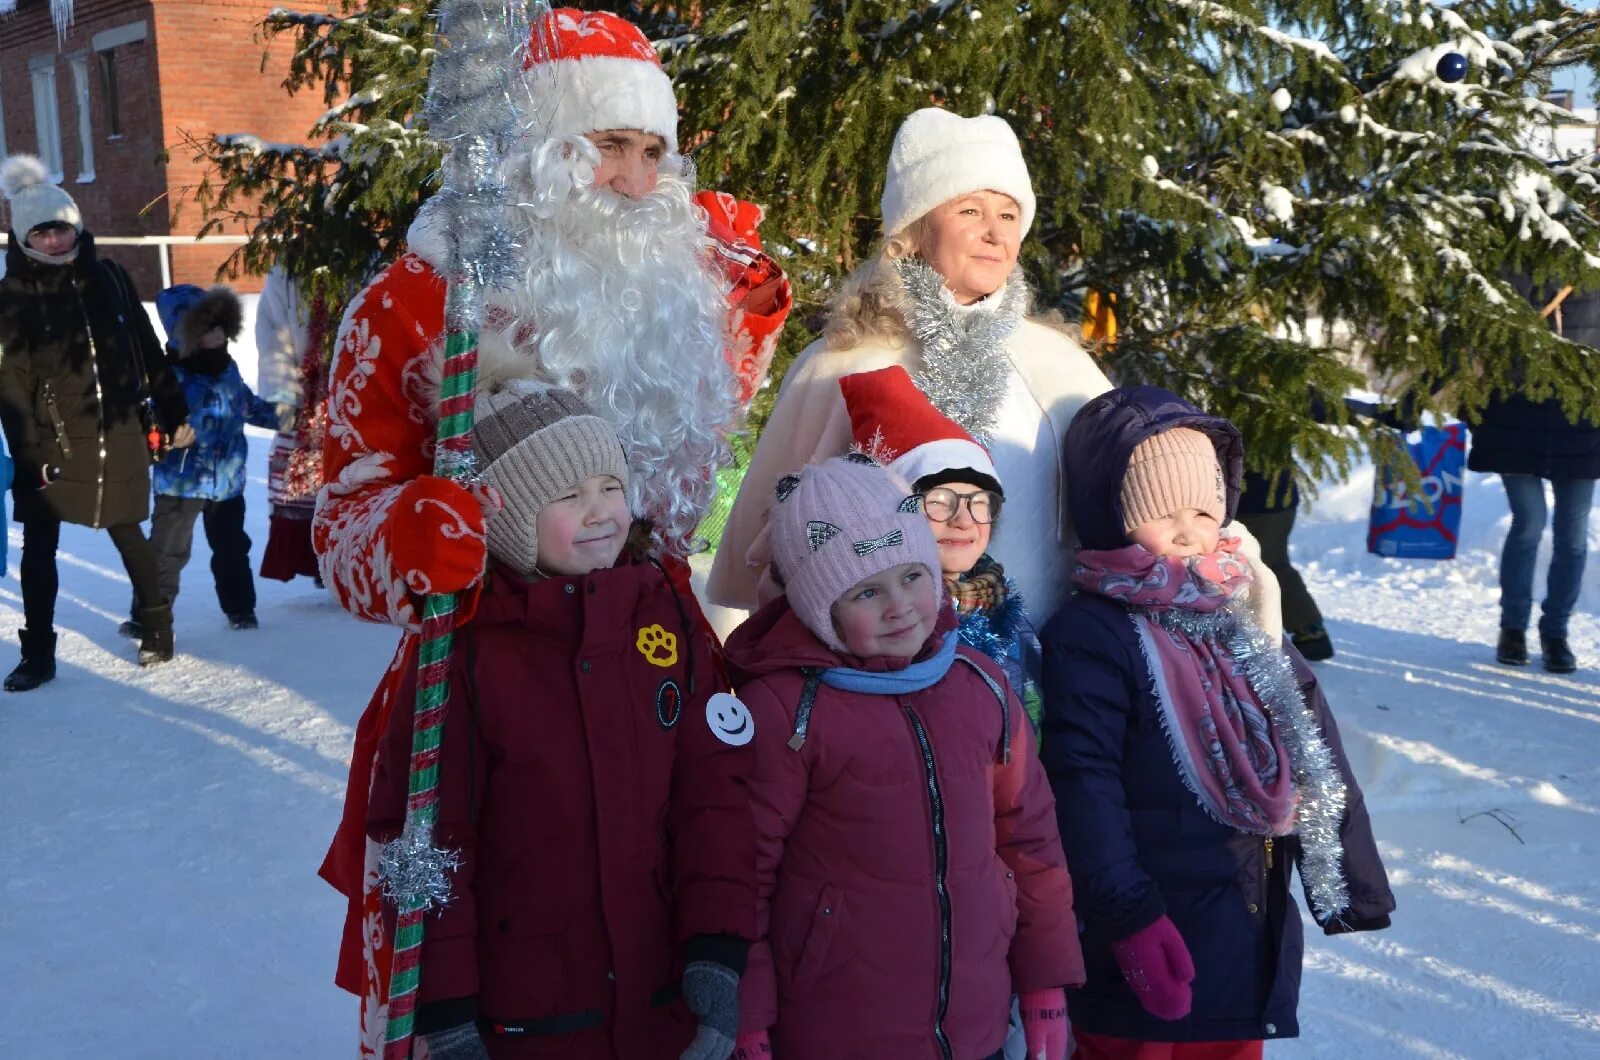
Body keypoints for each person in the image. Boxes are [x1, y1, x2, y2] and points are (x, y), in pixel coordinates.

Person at [315, 9, 791, 1047]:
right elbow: (342, 518)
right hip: (488, 691)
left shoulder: (682, 290)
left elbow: (697, 445)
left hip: (655, 675)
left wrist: (747, 305)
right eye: (604, 146)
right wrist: (410, 532)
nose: (631, 179)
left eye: (650, 152)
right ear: (535, 151)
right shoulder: (419, 301)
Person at [366, 385, 755, 1059]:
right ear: (509, 516)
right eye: (568, 496)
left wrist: (717, 951)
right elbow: (429, 841)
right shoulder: (464, 654)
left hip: (662, 998)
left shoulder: (665, 615)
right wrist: (448, 1011)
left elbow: (713, 799)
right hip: (531, 1017)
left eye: (610, 485)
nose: (601, 511)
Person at [1040, 386, 1395, 1060]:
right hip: (1143, 932)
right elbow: (1084, 787)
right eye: (1160, 512)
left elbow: (1313, 739)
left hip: (1244, 919)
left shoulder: (1244, 613)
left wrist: (1352, 878)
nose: (1186, 531)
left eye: (1203, 510)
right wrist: (1128, 918)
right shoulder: (1092, 635)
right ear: (1112, 514)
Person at [723, 454, 1083, 1060]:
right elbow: (743, 877)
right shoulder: (787, 713)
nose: (900, 606)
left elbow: (1029, 840)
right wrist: (750, 1018)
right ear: (819, 607)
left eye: (913, 575)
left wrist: (1045, 979)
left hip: (974, 1026)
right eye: (866, 590)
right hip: (839, 1030)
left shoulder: (979, 685)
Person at [709, 106, 1113, 623]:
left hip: (1052, 671)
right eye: (970, 211)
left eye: (1008, 215)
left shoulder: (1058, 363)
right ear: (915, 230)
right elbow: (781, 542)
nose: (995, 232)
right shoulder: (844, 363)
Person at [0, 154, 193, 687]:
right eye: (41, 234)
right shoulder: (12, 295)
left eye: (60, 229)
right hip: (52, 440)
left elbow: (145, 345)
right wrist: (28, 451)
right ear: (23, 239)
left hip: (120, 429)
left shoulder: (110, 277)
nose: (54, 242)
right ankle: (38, 652)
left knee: (128, 530)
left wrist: (172, 403)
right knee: (39, 548)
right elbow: (9, 382)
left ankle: (157, 627)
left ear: (76, 226)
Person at [840, 363, 1043, 725]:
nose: (963, 520)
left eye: (979, 502)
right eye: (938, 501)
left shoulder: (1008, 612)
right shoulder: (889, 626)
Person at [122, 285, 280, 635]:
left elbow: (246, 405)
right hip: (181, 483)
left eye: (220, 325)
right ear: (186, 334)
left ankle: (241, 610)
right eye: (207, 327)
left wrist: (287, 416)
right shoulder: (167, 377)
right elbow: (146, 428)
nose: (217, 333)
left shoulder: (227, 368)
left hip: (227, 482)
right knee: (167, 553)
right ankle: (149, 615)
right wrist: (165, 439)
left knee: (232, 549)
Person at [1469, 282, 1600, 675]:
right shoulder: (1514, 268)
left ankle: (1555, 632)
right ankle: (1512, 629)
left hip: (1582, 427)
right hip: (1517, 425)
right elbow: (1479, 337)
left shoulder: (1593, 276)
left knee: (1573, 537)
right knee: (1529, 524)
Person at [254, 265, 334, 585]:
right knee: (298, 479)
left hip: (347, 390)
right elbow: (272, 336)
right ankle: (310, 557)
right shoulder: (287, 274)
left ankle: (337, 555)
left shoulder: (364, 259)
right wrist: (282, 395)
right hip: (303, 394)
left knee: (341, 476)